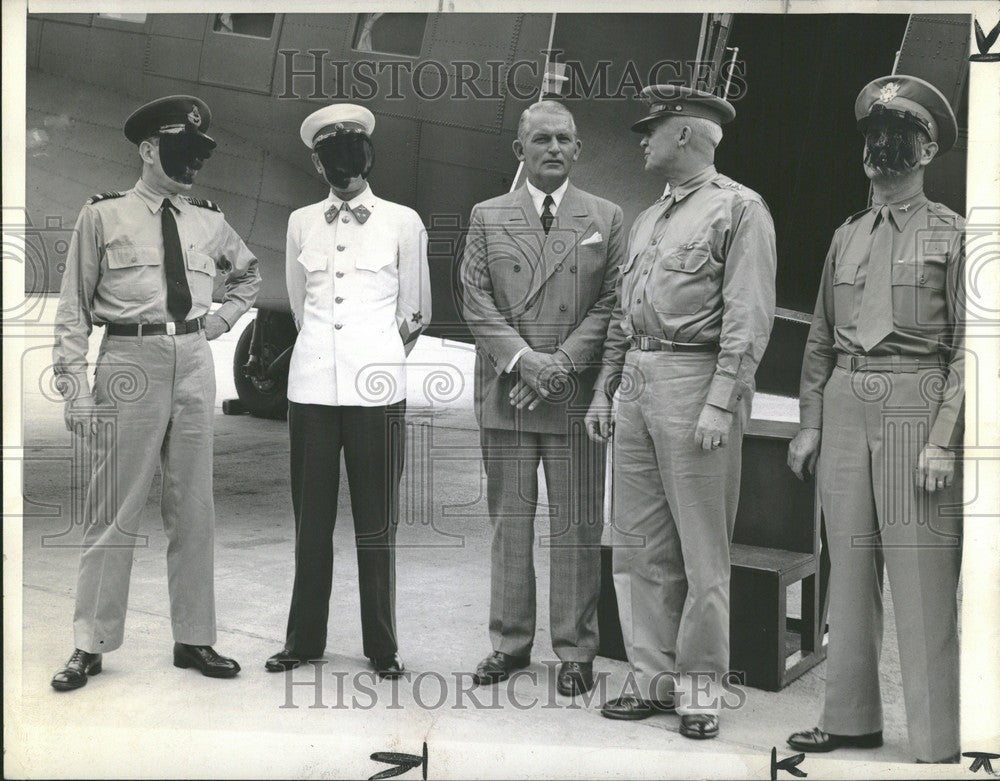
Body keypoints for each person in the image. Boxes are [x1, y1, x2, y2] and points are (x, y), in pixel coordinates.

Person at [50, 95, 261, 690]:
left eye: (198, 154)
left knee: (194, 509)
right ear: (147, 150)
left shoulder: (207, 219)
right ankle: (89, 643)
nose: (191, 163)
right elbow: (72, 309)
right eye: (179, 151)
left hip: (194, 359)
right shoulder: (102, 216)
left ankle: (194, 639)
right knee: (112, 510)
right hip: (128, 362)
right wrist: (74, 387)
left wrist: (220, 324)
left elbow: (248, 274)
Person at [586, 85, 776, 738]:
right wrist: (604, 386)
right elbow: (622, 312)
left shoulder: (740, 210)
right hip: (639, 381)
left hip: (697, 382)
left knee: (702, 554)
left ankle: (699, 691)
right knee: (637, 545)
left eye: (654, 128)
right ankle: (651, 677)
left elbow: (748, 319)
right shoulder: (648, 219)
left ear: (688, 136)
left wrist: (722, 400)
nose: (642, 139)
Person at [786, 75, 964, 764]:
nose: (883, 148)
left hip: (915, 404)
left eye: (900, 138)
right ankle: (850, 718)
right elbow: (822, 338)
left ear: (926, 152)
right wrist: (809, 422)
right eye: (874, 137)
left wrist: (944, 439)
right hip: (845, 403)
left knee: (920, 576)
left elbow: (972, 348)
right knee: (850, 570)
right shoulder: (847, 235)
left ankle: (937, 738)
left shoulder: (955, 235)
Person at [459, 100, 624, 696]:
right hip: (507, 396)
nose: (554, 148)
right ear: (520, 151)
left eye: (565, 139)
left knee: (577, 526)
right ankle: (509, 643)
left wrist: (557, 370)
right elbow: (474, 300)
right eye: (542, 139)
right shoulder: (486, 216)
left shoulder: (606, 216)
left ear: (578, 150)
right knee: (510, 525)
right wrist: (527, 364)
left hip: (573, 400)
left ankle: (577, 648)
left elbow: (611, 303)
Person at [265, 104, 431, 679]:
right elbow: (297, 301)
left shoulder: (403, 222)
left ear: (369, 156)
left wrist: (374, 360)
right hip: (311, 391)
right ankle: (303, 640)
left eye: (354, 151)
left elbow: (415, 312)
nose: (345, 163)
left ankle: (382, 646)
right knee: (310, 525)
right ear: (318, 163)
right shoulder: (300, 223)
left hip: (376, 394)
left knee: (376, 523)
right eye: (332, 154)